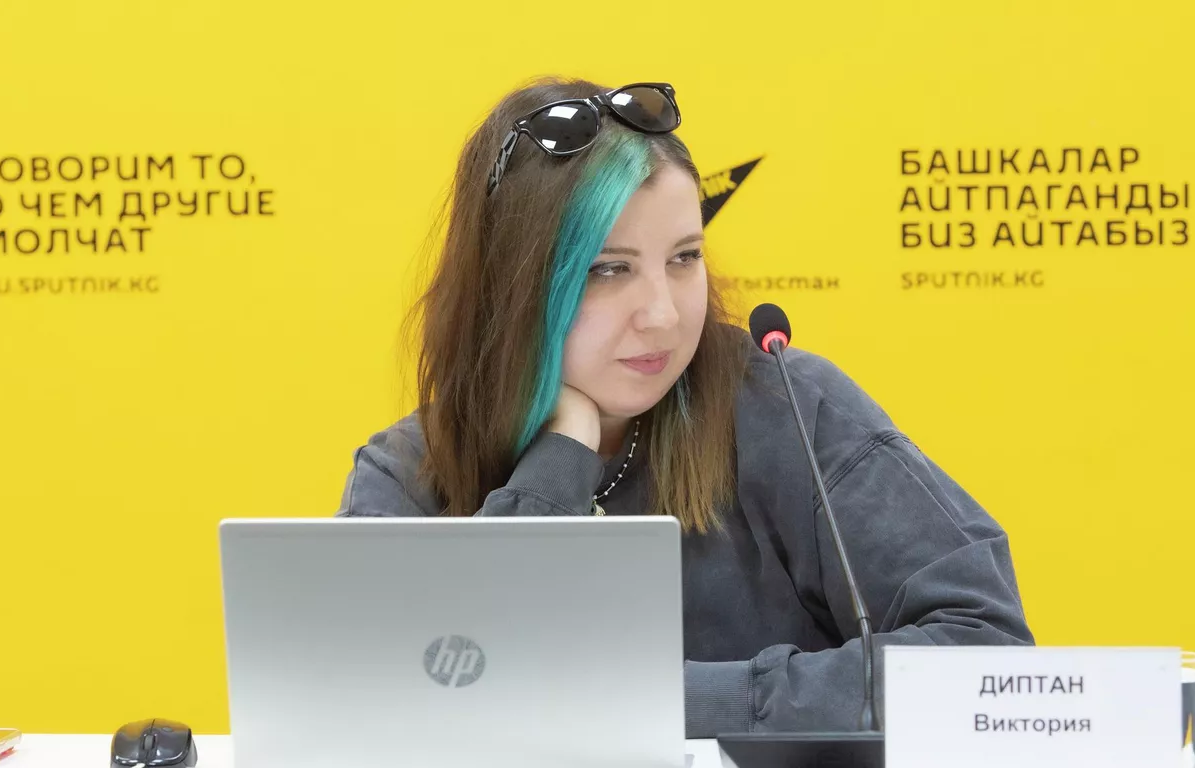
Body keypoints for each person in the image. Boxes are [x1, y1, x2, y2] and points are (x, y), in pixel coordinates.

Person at [338, 77, 1033, 736]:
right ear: (510, 286)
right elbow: (380, 704)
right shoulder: (409, 470)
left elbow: (985, 654)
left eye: (684, 257)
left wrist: (669, 701)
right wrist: (560, 460)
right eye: (609, 270)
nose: (664, 315)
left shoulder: (786, 406)